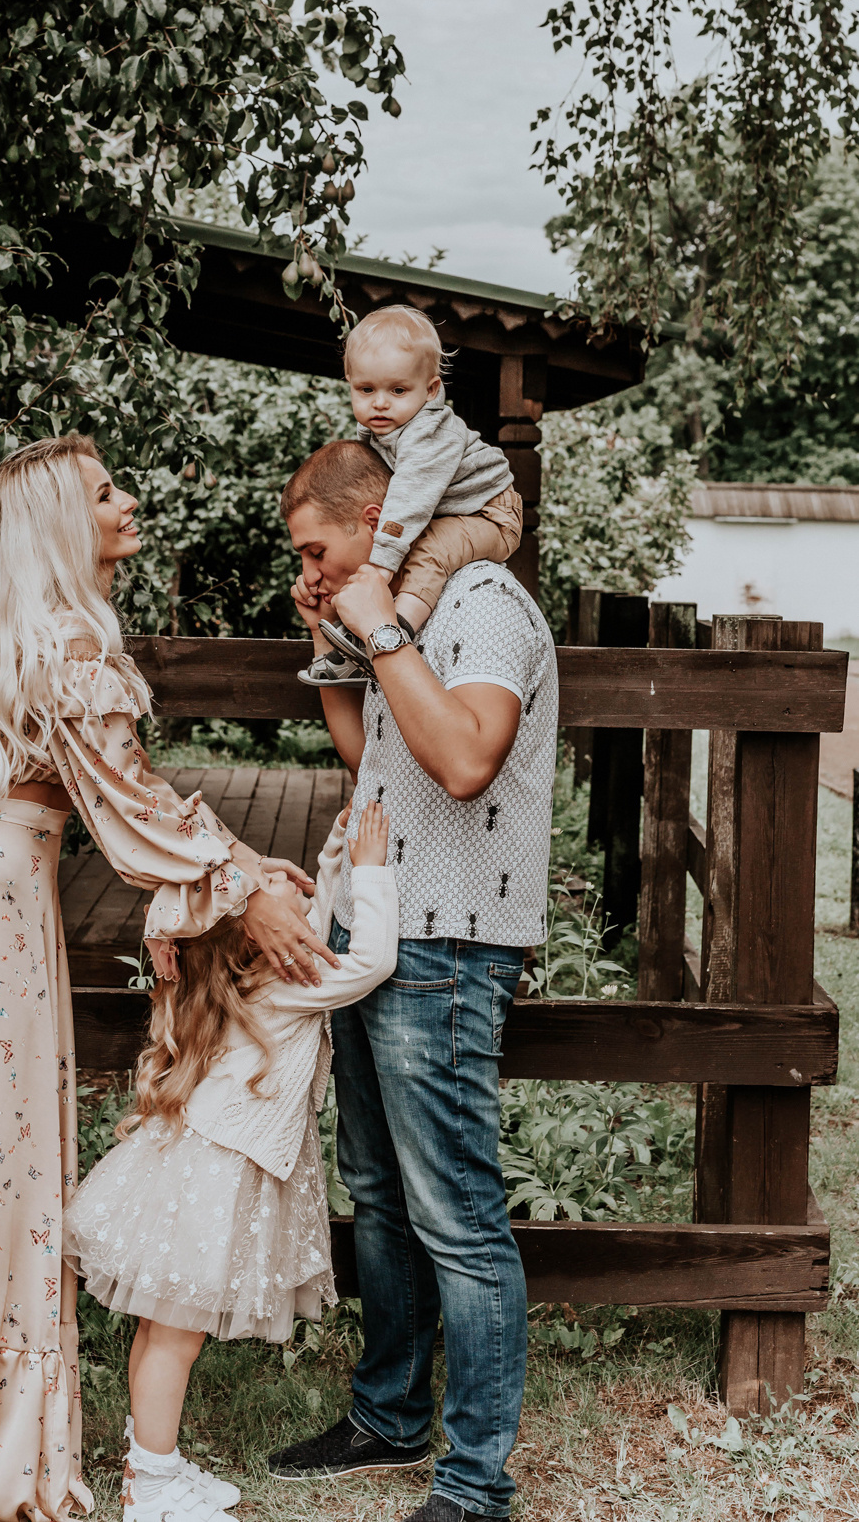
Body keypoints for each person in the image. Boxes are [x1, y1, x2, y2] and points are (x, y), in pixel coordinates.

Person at [0, 435, 334, 1522]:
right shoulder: (75, 645)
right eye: (106, 494)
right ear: (64, 524)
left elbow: (127, 799)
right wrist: (244, 885)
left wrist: (238, 869)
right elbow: (137, 811)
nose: (129, 502)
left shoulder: (52, 636)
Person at [270, 438, 559, 1522]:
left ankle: (474, 1481)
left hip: (448, 942)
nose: (306, 567)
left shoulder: (480, 599)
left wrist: (379, 619)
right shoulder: (397, 614)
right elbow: (378, 756)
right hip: (380, 927)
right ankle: (388, 1419)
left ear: (378, 513)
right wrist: (336, 637)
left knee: (457, 1216)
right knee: (379, 1194)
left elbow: (463, 758)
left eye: (316, 549)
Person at [63, 797, 399, 1522]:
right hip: (212, 1181)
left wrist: (337, 851)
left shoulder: (242, 978)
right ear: (261, 942)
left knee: (164, 1330)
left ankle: (152, 1465)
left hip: (193, 1170)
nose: (293, 893)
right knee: (174, 1337)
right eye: (276, 900)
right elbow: (373, 960)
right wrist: (371, 874)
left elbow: (307, 904)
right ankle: (151, 1490)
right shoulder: (293, 984)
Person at [302, 305, 522, 687]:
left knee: (426, 551)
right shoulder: (379, 428)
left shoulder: (429, 432)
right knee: (387, 550)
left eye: (398, 390)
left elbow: (409, 498)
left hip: (491, 515)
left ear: (431, 390)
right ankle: (354, 638)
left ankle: (391, 631)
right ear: (349, 381)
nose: (380, 402)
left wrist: (383, 565)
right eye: (365, 390)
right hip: (451, 510)